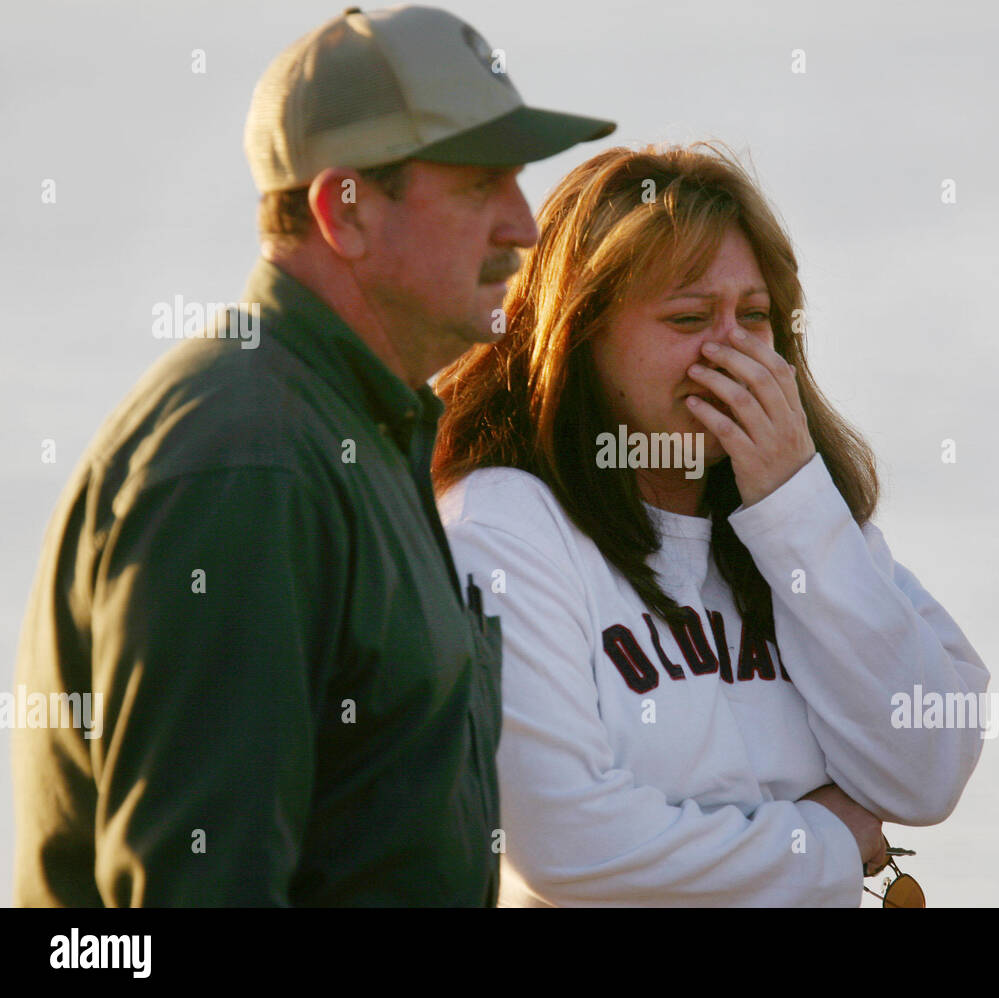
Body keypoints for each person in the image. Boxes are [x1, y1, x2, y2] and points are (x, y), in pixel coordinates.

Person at [11, 5, 613, 907]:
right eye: (480, 185)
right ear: (345, 209)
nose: (524, 228)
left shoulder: (348, 425)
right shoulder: (251, 466)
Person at [433, 143, 991, 906]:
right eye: (689, 317)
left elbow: (927, 766)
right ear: (579, 335)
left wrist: (793, 504)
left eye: (754, 317)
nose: (729, 350)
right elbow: (571, 847)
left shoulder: (797, 510)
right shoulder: (502, 526)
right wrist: (823, 842)